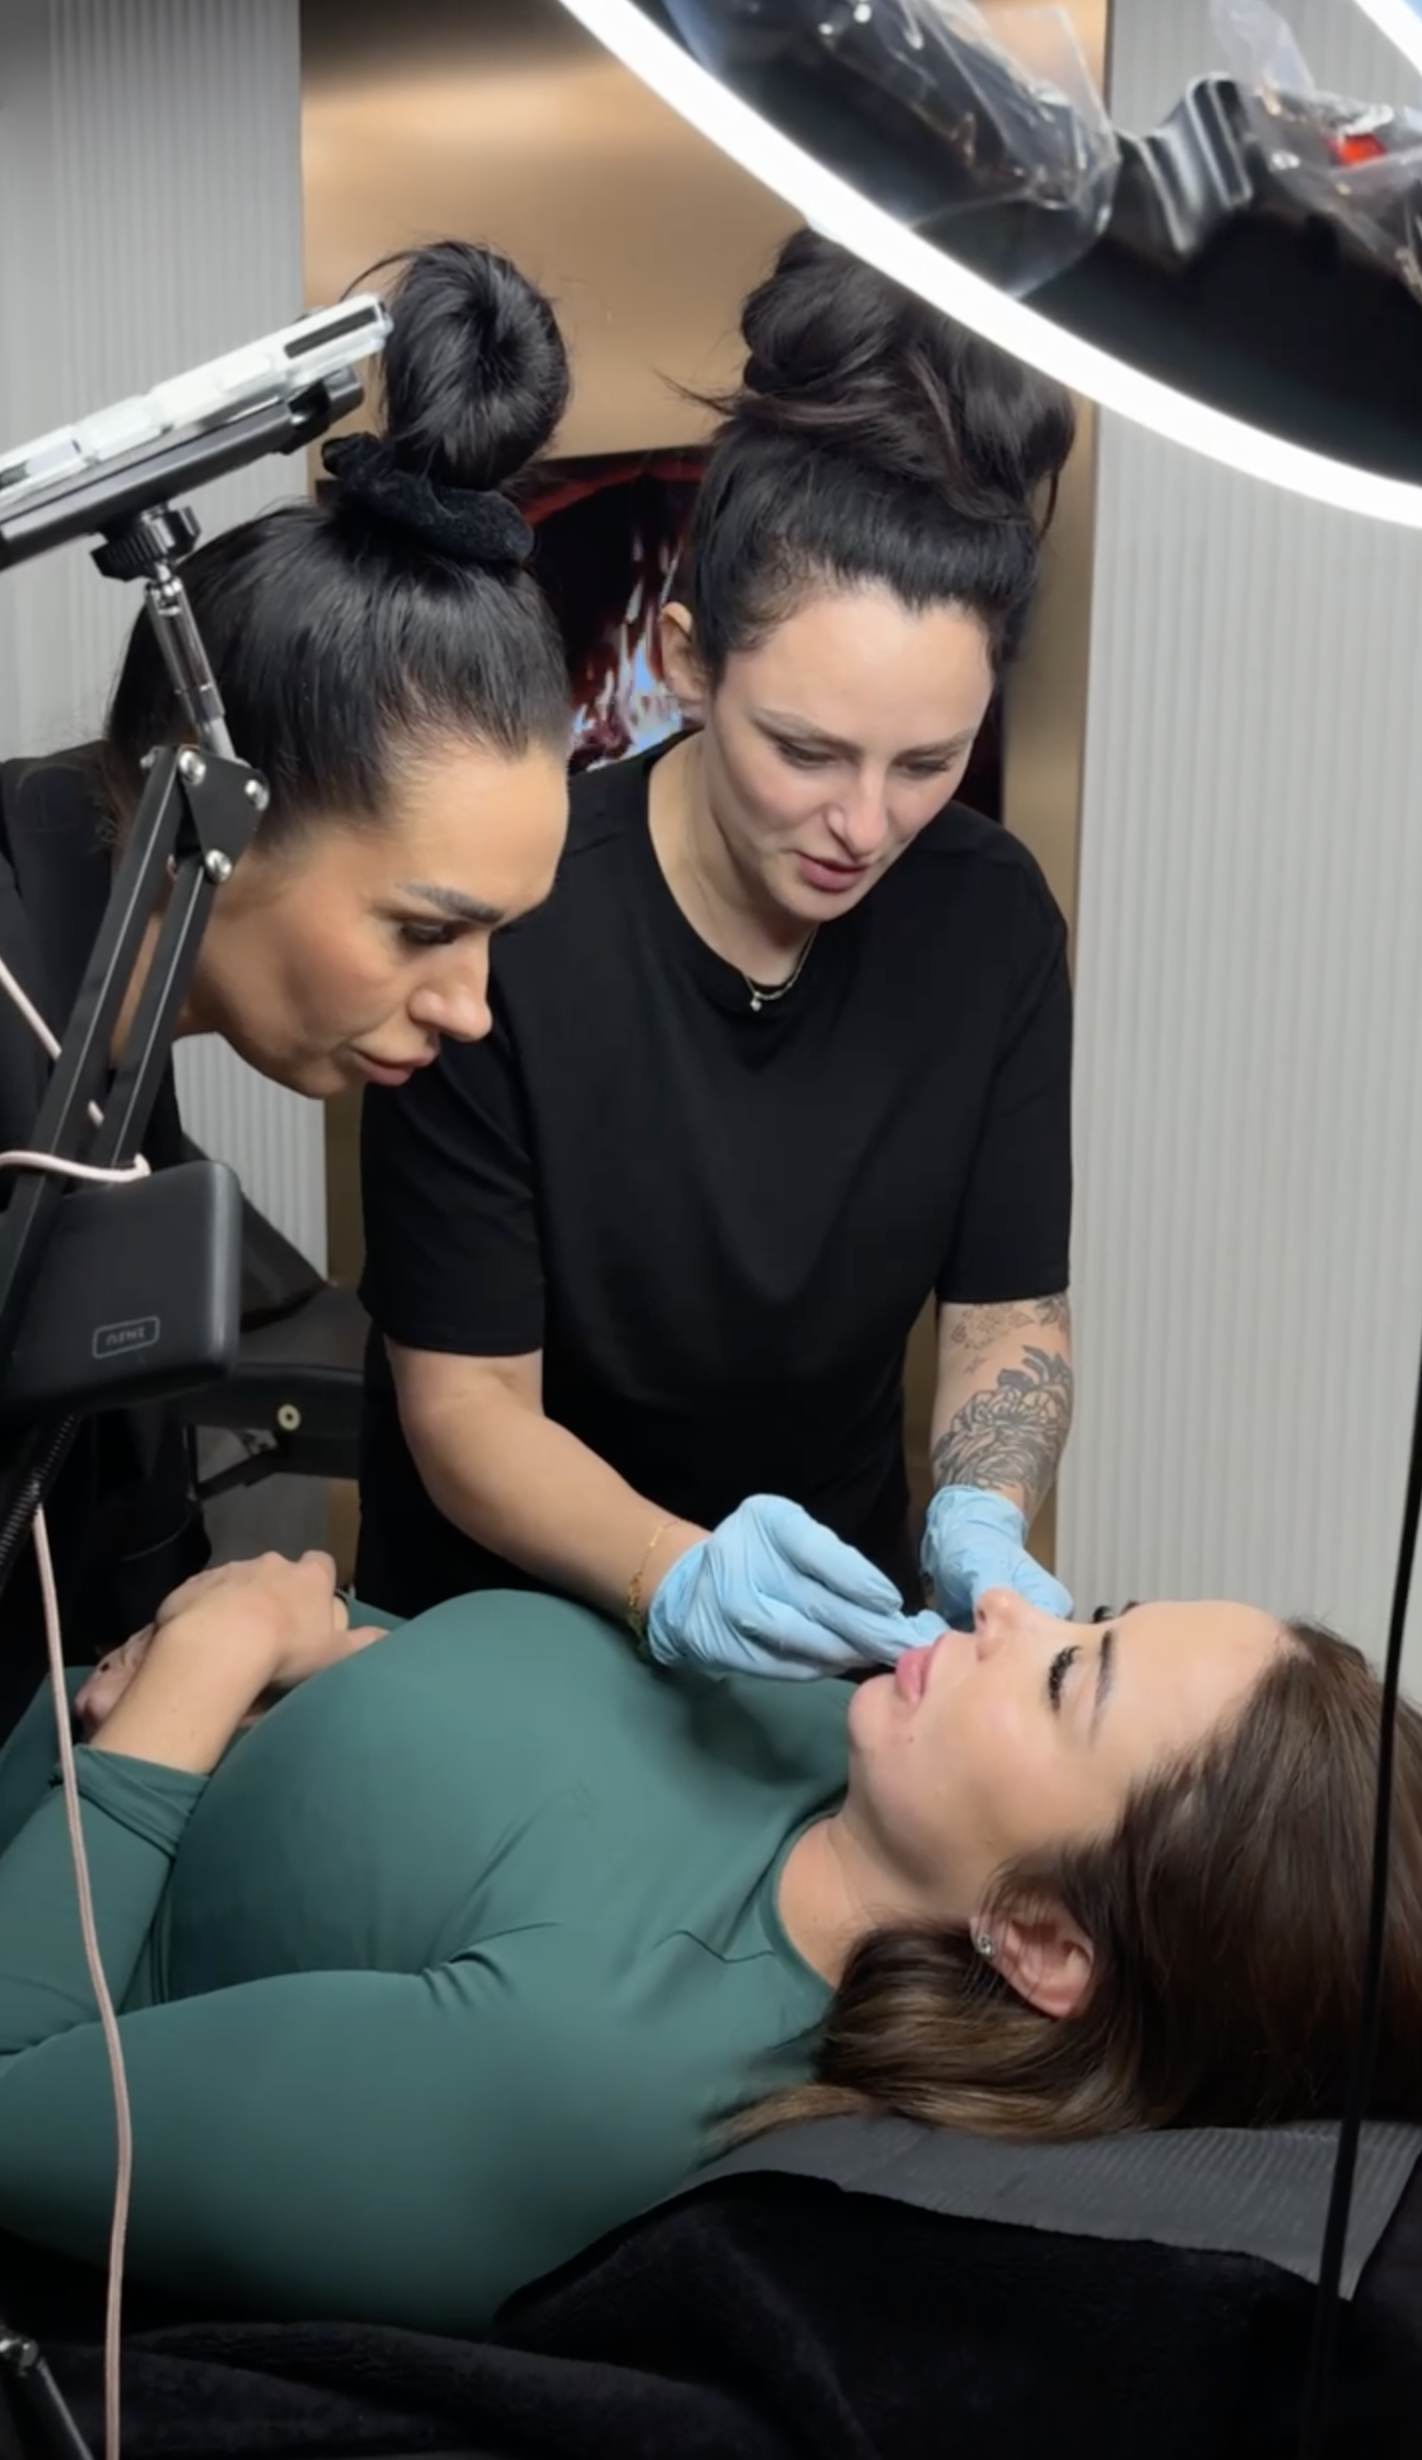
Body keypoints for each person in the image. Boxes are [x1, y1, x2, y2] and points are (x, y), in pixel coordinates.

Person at [0, 1553, 1418, 2331]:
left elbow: (15, 2095)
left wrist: (200, 1676)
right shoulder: (833, 1744)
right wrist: (319, 1646)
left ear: (1040, 1938)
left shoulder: (598, 2076)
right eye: (1089, 1607)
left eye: (1067, 1672)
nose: (1007, 1603)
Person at [357, 228, 1078, 1675]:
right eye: (804, 750)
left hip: (833, 1628)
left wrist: (981, 1521)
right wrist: (672, 1575)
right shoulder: (510, 918)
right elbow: (464, 1407)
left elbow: (1008, 1308)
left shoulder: (987, 919)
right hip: (520, 1636)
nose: (863, 826)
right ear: (685, 658)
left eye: (928, 761)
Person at [0, 239, 573, 1735]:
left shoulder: (108, 1034)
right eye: (423, 930)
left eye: (495, 939)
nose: (469, 1007)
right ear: (219, 818)